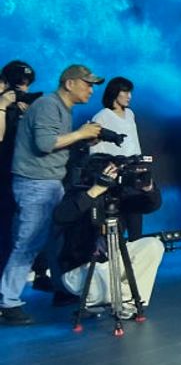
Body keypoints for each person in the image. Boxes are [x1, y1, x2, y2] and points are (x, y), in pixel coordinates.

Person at [0, 64, 104, 326]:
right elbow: (45, 144)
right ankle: (7, 302)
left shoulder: (61, 108)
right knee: (28, 243)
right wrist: (80, 133)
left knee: (54, 242)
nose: (91, 90)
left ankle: (63, 289)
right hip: (36, 183)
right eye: (87, 84)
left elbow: (56, 143)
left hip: (50, 182)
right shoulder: (48, 105)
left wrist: (81, 139)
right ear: (70, 83)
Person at [53, 157, 164, 317]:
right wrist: (95, 191)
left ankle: (128, 303)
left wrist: (148, 188)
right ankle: (118, 298)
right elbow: (61, 216)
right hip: (82, 268)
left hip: (111, 261)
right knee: (103, 275)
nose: (114, 177)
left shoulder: (118, 194)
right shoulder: (79, 192)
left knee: (153, 245)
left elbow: (150, 205)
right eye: (110, 173)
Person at [91, 77, 145, 239]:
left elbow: (134, 141)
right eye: (125, 92)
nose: (129, 96)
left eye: (130, 92)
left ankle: (136, 247)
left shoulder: (130, 114)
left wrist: (140, 163)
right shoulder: (102, 116)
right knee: (117, 217)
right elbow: (94, 149)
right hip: (114, 172)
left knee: (136, 214)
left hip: (133, 169)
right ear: (115, 92)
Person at [0, 60, 36, 271]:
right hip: (5, 174)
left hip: (15, 174)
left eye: (27, 84)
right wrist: (2, 107)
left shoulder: (21, 108)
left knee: (10, 229)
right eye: (20, 84)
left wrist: (25, 117)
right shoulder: (3, 105)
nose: (24, 90)